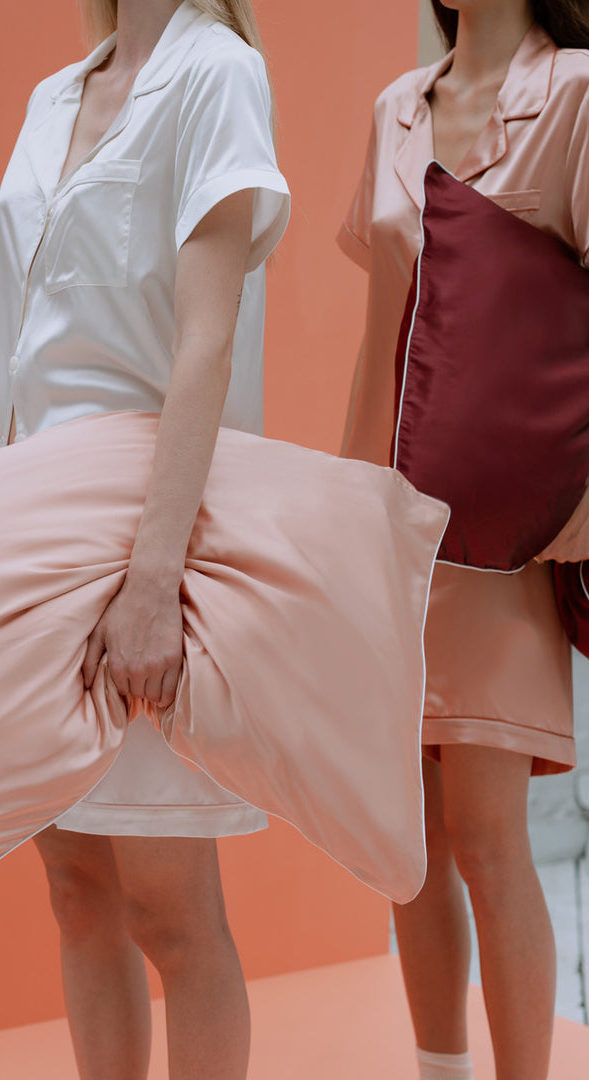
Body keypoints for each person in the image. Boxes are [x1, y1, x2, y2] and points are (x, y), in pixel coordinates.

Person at [0, 0, 289, 1075]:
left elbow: (207, 339)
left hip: (140, 531)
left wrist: (156, 576)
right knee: (77, 894)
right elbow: (12, 342)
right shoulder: (52, 96)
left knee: (172, 912)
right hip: (25, 537)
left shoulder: (218, 73)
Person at [337, 2, 589, 1078]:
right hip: (396, 525)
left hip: (503, 538)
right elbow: (383, 333)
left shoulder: (576, 92)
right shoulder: (398, 109)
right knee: (409, 850)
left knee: (488, 838)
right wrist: (338, 518)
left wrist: (571, 512)